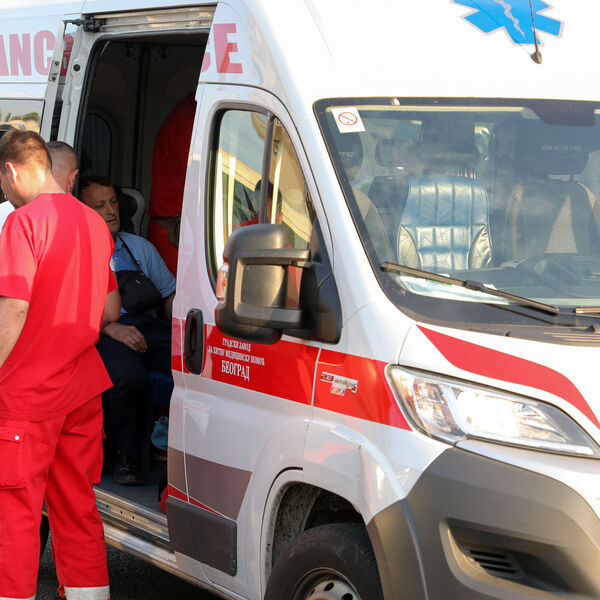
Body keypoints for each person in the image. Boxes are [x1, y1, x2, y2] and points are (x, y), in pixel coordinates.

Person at [0, 130, 119, 600]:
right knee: (77, 508)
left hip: (26, 397)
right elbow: (109, 309)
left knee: (15, 513)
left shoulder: (23, 223)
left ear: (12, 171)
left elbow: (13, 308)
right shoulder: (93, 223)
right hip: (82, 389)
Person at [80, 175, 175, 486]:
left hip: (147, 325)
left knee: (193, 363)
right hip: (104, 331)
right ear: (84, 212)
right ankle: (128, 460)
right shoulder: (78, 251)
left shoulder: (139, 248)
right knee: (129, 377)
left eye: (113, 202)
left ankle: (179, 455)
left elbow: (169, 293)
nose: (111, 211)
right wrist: (111, 328)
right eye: (100, 206)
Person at [148, 93, 196, 276]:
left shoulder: (189, 113)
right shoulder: (188, 120)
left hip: (178, 231)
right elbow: (200, 176)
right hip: (173, 234)